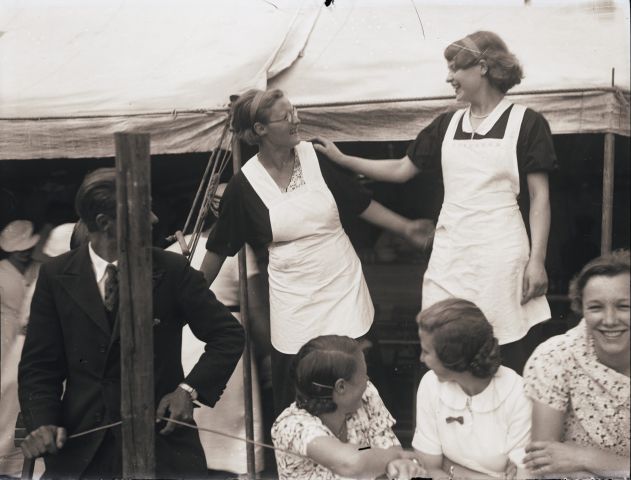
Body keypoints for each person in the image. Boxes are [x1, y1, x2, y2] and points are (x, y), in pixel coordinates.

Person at [314, 31, 557, 374]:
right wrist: (344, 159)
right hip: (451, 252)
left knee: (501, 345)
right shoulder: (447, 123)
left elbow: (540, 198)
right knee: (442, 341)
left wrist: (537, 261)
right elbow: (401, 169)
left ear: (483, 67)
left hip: (501, 252)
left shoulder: (526, 122)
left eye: (455, 68)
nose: (448, 77)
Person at [201, 88, 434, 413]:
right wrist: (188, 296)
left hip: (342, 289)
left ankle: (365, 457)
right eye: (286, 116)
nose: (297, 119)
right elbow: (219, 247)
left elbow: (359, 202)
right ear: (260, 130)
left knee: (359, 390)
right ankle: (308, 461)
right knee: (302, 396)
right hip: (294, 304)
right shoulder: (244, 186)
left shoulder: (315, 157)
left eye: (294, 110)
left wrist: (406, 229)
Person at [17, 168, 245, 479]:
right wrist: (42, 422)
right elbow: (39, 367)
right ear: (104, 223)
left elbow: (228, 335)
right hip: (82, 450)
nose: (153, 219)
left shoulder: (171, 269)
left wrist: (188, 391)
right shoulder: (56, 275)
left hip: (162, 447)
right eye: (142, 210)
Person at [166, 184, 269, 477]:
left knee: (198, 423)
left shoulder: (175, 248)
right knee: (233, 424)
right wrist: (268, 355)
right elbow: (256, 310)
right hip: (223, 338)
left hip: (186, 341)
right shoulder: (239, 249)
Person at [522, 250, 630, 477]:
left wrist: (585, 457)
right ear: (581, 309)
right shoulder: (556, 357)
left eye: (624, 306)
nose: (609, 320)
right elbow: (545, 463)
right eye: (595, 307)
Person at [271, 335, 425, 480]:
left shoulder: (366, 394)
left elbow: (388, 449)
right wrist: (393, 458)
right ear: (341, 387)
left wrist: (392, 460)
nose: (367, 379)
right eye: (364, 374)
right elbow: (350, 462)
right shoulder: (292, 425)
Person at [413, 298, 531, 478]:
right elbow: (427, 468)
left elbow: (523, 477)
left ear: (452, 358)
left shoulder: (518, 394)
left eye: (426, 351)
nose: (421, 359)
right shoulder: (430, 384)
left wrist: (450, 467)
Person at [0, 220, 41, 477]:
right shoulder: (1, 272)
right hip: (4, 333)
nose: (24, 252)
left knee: (21, 394)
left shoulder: (37, 269)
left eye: (27, 247)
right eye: (19, 248)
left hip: (28, 336)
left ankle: (18, 463)